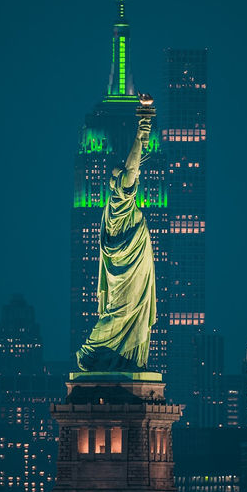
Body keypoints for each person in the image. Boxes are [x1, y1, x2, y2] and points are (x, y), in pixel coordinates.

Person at [76, 96, 156, 372]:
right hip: (123, 272)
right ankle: (97, 351)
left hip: (132, 267)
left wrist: (143, 127)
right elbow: (132, 165)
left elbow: (133, 164)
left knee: (123, 312)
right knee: (118, 313)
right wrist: (143, 123)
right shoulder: (117, 204)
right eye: (119, 176)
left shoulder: (117, 204)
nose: (122, 176)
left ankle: (119, 358)